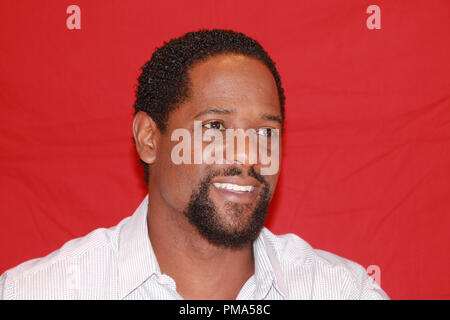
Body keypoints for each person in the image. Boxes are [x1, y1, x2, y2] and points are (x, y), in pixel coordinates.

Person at [0, 29, 388, 300]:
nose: (248, 155)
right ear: (149, 138)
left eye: (266, 132)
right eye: (216, 126)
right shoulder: (40, 292)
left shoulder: (342, 292)